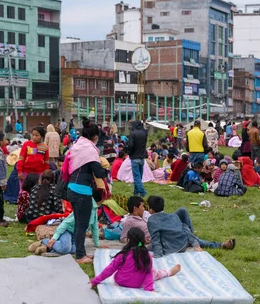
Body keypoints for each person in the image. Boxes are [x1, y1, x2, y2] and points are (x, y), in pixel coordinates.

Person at [90, 227, 181, 292]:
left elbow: (110, 269)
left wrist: (95, 281)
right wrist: (149, 288)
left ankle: (169, 272)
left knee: (151, 270)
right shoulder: (146, 255)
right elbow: (148, 272)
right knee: (155, 272)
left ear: (128, 240)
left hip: (121, 281)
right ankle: (168, 272)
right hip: (138, 284)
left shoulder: (123, 255)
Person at [66, 119, 107, 264]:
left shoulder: (78, 146)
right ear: (95, 137)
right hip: (82, 192)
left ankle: (80, 253)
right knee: (82, 225)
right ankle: (80, 256)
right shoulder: (90, 151)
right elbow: (99, 172)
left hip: (72, 188)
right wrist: (106, 169)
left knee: (79, 223)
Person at [146, 195, 236, 258]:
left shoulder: (152, 220)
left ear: (151, 209)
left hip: (171, 246)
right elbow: (184, 227)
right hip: (183, 241)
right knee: (190, 236)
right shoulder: (172, 216)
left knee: (144, 248)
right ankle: (220, 245)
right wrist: (194, 241)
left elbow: (155, 239)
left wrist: (158, 255)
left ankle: (218, 244)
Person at [30, 189, 104, 256]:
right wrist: (54, 238)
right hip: (68, 231)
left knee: (74, 250)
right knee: (66, 249)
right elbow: (65, 223)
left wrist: (97, 244)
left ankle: (47, 248)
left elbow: (95, 227)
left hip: (77, 235)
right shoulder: (84, 207)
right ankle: (44, 242)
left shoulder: (94, 209)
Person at [127, 121, 148, 197]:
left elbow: (130, 145)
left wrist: (129, 152)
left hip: (134, 157)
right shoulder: (144, 133)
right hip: (142, 157)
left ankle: (142, 192)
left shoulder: (133, 134)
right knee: (139, 176)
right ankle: (136, 192)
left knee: (136, 177)